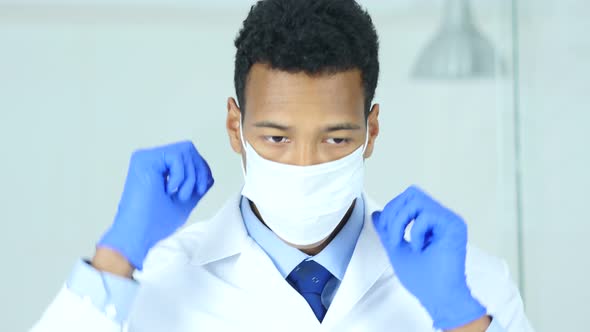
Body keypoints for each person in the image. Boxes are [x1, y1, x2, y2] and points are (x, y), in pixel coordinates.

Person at [31, 0, 533, 331]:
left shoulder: (470, 285)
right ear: (235, 127)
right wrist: (115, 257)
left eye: (336, 138)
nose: (304, 164)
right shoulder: (153, 283)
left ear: (371, 131)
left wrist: (460, 319)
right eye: (276, 137)